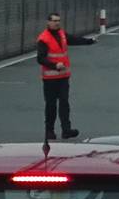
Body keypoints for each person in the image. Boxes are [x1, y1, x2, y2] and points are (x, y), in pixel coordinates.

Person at [37, 10, 97, 143]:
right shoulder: (43, 38)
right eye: (54, 21)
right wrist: (54, 65)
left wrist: (89, 41)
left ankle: (66, 130)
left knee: (64, 103)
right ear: (49, 22)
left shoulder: (62, 34)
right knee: (51, 105)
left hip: (63, 77)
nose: (57, 23)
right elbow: (40, 59)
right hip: (50, 78)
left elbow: (75, 40)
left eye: (58, 21)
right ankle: (49, 131)